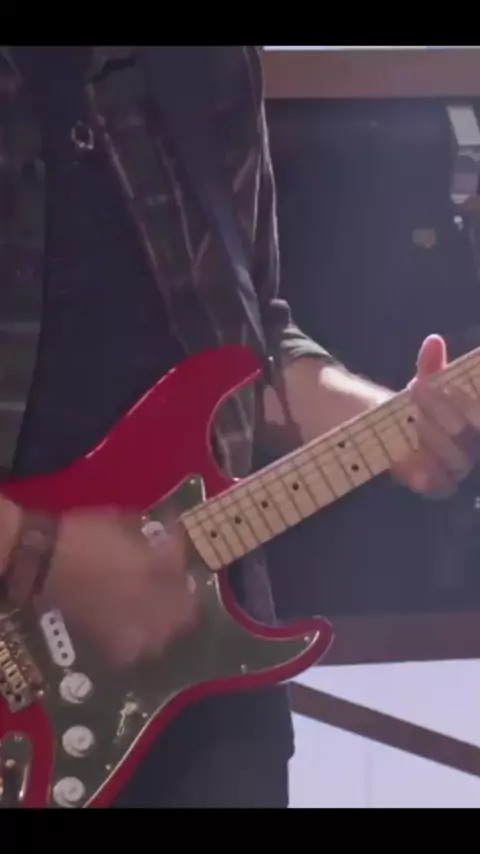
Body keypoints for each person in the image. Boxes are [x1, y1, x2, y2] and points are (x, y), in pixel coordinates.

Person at [0, 45, 478, 808]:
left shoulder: (207, 61)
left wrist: (392, 425)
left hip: (208, 686)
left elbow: (252, 342)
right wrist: (41, 550)